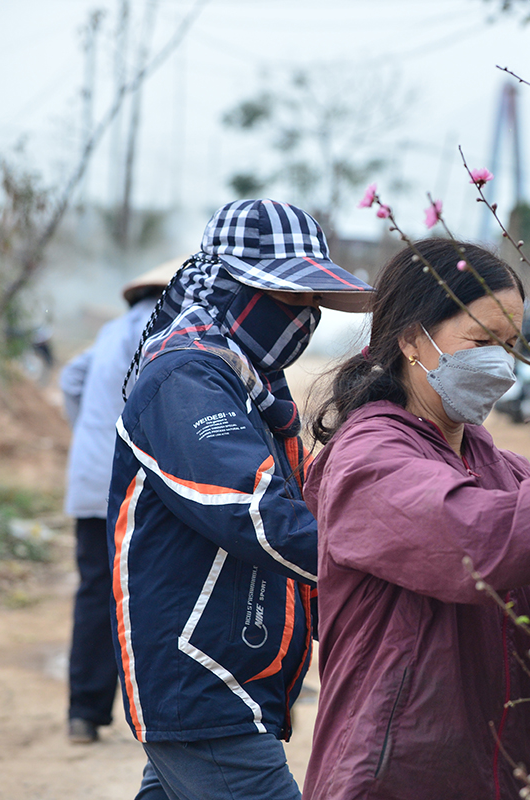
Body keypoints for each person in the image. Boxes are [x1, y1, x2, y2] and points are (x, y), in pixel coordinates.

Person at [302, 238, 530, 800]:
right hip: (395, 782)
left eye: (510, 344)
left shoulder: (508, 472)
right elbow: (469, 535)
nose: (501, 361)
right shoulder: (368, 459)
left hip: (508, 776)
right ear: (409, 339)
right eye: (481, 341)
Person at [107, 199, 372, 800]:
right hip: (201, 675)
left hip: (235, 668)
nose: (304, 320)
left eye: (314, 305)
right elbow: (259, 513)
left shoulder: (252, 384)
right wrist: (377, 561)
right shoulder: (186, 378)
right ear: (228, 286)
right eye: (290, 299)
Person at [60, 256, 181, 744]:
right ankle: (159, 714)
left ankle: (83, 714)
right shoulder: (165, 328)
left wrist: (88, 435)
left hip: (90, 480)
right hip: (132, 488)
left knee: (94, 592)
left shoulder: (112, 330)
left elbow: (71, 379)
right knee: (147, 593)